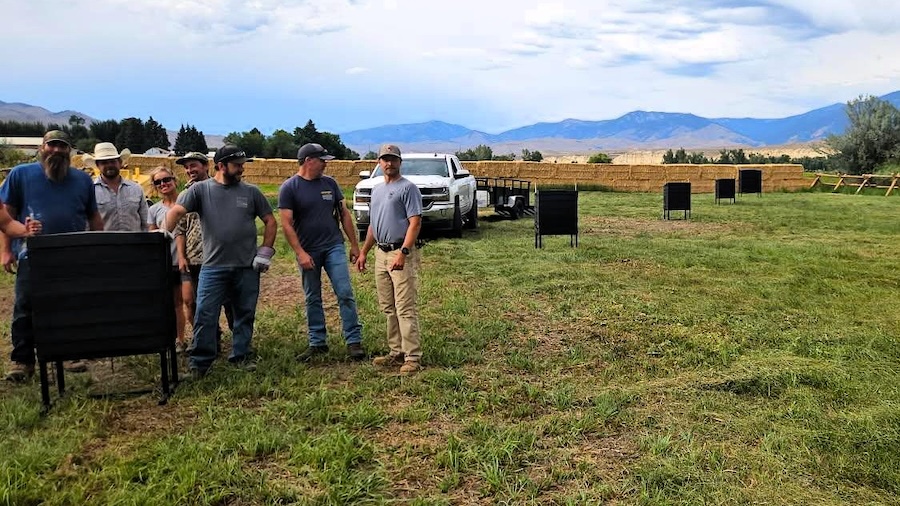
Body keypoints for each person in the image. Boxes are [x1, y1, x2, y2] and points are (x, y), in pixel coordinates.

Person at [165, 145, 277, 377]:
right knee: (205, 314)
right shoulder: (200, 191)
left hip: (247, 266)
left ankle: (241, 356)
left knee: (244, 313)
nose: (241, 170)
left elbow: (270, 220)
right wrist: (162, 233)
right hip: (213, 267)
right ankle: (200, 364)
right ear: (220, 166)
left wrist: (265, 251)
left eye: (242, 165)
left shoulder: (251, 192)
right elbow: (176, 211)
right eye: (237, 165)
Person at [1, 130, 104, 382]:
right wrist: (5, 250)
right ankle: (22, 360)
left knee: (70, 303)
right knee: (26, 306)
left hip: (72, 252)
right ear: (42, 147)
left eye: (62, 146)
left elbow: (93, 216)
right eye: (52, 145)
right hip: (32, 253)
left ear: (69, 150)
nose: (56, 150)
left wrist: (96, 245)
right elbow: (8, 215)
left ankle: (68, 353)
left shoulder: (82, 180)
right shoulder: (20, 174)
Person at [279, 143, 364, 362]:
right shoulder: (289, 188)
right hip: (308, 250)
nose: (326, 163)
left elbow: (344, 214)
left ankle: (354, 341)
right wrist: (300, 253)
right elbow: (286, 224)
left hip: (333, 245)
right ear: (309, 161)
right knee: (312, 296)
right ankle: (317, 342)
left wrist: (354, 245)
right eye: (322, 159)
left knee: (344, 292)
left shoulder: (330, 184)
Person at [355, 144, 424, 376]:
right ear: (378, 162)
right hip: (380, 254)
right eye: (385, 159)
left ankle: (412, 357)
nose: (389, 163)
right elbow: (374, 226)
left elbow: (415, 223)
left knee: (405, 307)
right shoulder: (377, 190)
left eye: (393, 159)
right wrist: (364, 251)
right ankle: (396, 352)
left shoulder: (408, 188)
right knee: (388, 307)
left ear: (400, 162)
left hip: (399, 253)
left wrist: (403, 253)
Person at [173, 152, 234, 348]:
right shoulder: (185, 194)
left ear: (206, 166)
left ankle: (239, 339)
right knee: (202, 304)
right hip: (196, 258)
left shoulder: (222, 189)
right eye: (187, 167)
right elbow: (180, 229)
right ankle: (211, 340)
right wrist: (182, 256)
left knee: (230, 301)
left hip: (223, 255)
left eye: (193, 165)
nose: (190, 170)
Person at [146, 167, 190, 352]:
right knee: (177, 304)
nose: (163, 184)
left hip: (190, 259)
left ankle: (201, 337)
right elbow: (152, 234)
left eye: (166, 179)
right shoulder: (154, 209)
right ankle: (180, 339)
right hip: (168, 262)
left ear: (174, 180)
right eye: (158, 182)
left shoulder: (188, 201)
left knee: (191, 301)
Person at [92, 142, 148, 232]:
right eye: (104, 163)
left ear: (120, 162)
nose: (109, 165)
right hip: (103, 245)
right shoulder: (90, 191)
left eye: (112, 161)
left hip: (134, 244)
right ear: (98, 165)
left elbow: (145, 222)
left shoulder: (136, 189)